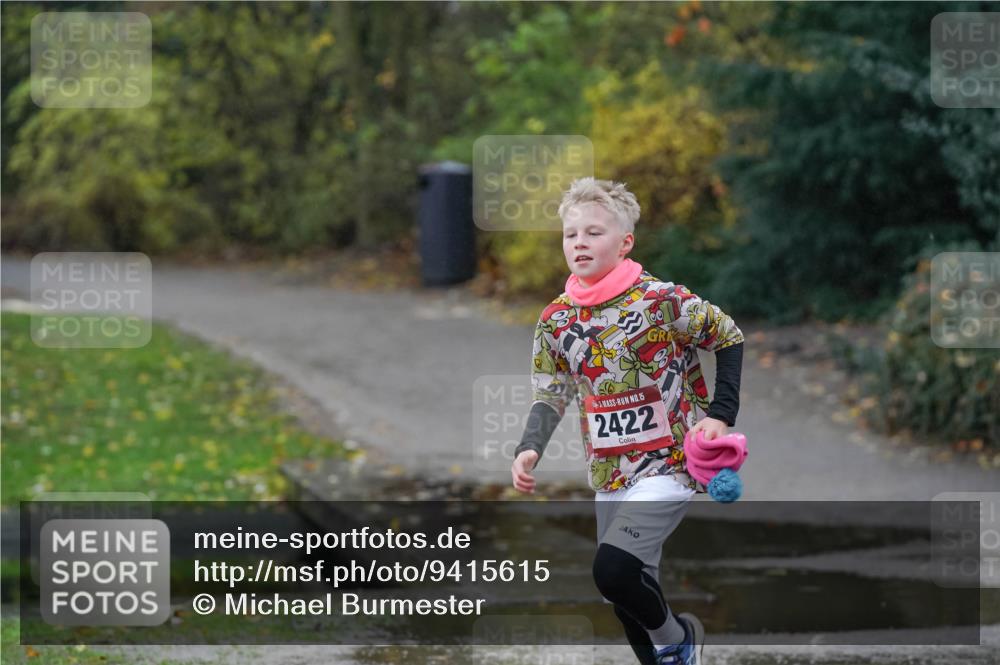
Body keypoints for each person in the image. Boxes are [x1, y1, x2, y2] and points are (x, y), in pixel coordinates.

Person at [511, 177, 745, 665]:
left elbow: (728, 336)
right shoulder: (556, 319)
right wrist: (529, 447)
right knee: (625, 595)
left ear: (625, 243)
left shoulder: (661, 301)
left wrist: (721, 415)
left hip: (668, 465)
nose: (579, 242)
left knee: (613, 571)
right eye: (571, 234)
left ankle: (679, 639)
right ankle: (670, 653)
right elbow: (551, 393)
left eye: (593, 233)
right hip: (611, 474)